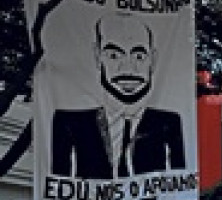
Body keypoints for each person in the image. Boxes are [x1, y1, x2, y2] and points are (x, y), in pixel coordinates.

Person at [51, 12, 185, 179]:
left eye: (139, 56)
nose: (128, 68)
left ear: (153, 60)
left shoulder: (169, 125)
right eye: (114, 55)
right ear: (97, 56)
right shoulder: (70, 124)